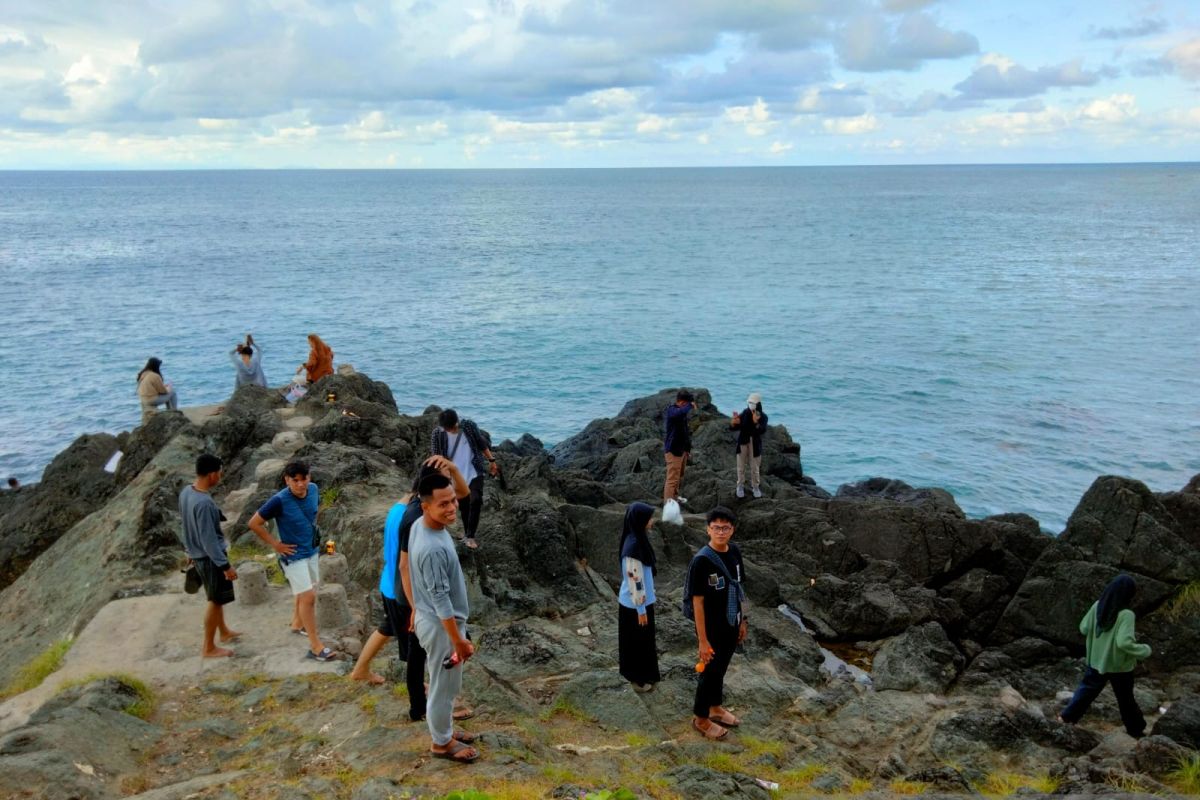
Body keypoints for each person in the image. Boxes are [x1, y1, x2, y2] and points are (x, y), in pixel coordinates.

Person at [349, 456, 469, 703]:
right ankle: (422, 702)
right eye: (445, 479)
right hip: (405, 590)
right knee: (417, 654)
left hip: (389, 585)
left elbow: (463, 493)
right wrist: (416, 607)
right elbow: (405, 566)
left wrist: (454, 468)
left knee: (388, 628)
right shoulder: (415, 518)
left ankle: (360, 669)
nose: (449, 487)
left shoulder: (401, 506)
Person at [409, 472, 479, 763]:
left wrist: (415, 608)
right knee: (443, 688)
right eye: (444, 504)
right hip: (441, 627)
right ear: (426, 506)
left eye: (453, 501)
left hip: (430, 618)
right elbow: (441, 599)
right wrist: (459, 642)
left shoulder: (421, 527)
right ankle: (441, 743)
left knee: (443, 685)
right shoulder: (433, 548)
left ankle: (445, 730)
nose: (452, 508)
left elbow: (416, 578)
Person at [247, 459, 336, 661]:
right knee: (309, 597)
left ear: (309, 477)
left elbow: (312, 512)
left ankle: (297, 623)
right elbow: (254, 523)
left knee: (310, 588)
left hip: (311, 549)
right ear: (287, 480)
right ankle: (315, 647)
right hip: (292, 555)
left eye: (303, 479)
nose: (300, 484)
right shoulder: (279, 500)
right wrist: (276, 545)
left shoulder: (313, 490)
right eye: (294, 480)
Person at [1058, 574, 1152, 737]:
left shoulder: (1097, 606)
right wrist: (1144, 650)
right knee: (1126, 699)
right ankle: (1136, 731)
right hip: (1119, 667)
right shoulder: (1126, 614)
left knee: (1086, 692)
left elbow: (1083, 628)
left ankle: (1066, 718)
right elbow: (1123, 643)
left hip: (1096, 661)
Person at [686, 506, 747, 740]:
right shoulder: (701, 561)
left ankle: (715, 707)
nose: (721, 532)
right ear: (708, 529)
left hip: (732, 621)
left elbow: (740, 587)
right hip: (711, 627)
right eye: (716, 528)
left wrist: (743, 621)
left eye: (726, 528)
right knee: (709, 672)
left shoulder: (735, 552)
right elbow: (697, 602)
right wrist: (702, 640)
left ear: (732, 530)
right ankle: (701, 718)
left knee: (720, 669)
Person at [179, 453, 241, 658]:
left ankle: (223, 632)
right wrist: (226, 566)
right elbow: (209, 541)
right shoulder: (204, 503)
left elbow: (186, 525)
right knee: (214, 601)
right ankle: (208, 647)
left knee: (217, 598)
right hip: (210, 559)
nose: (221, 476)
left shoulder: (187, 492)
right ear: (212, 474)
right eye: (220, 472)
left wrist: (189, 550)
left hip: (197, 555)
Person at [430, 409, 498, 550]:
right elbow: (436, 456)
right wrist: (442, 476)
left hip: (474, 470)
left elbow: (481, 443)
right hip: (455, 476)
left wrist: (492, 460)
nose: (451, 431)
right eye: (448, 429)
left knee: (476, 500)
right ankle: (467, 533)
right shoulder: (438, 434)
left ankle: (471, 536)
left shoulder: (468, 426)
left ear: (457, 422)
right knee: (464, 505)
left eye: (453, 428)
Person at [618, 502, 660, 693]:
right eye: (649, 517)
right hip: (635, 606)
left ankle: (646, 675)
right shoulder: (633, 546)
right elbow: (636, 581)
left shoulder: (637, 539)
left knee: (643, 642)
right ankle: (638, 680)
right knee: (637, 644)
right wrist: (641, 610)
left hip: (641, 603)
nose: (652, 521)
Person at [730, 393, 768, 499]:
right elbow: (735, 428)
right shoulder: (745, 413)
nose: (750, 404)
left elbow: (762, 430)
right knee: (740, 466)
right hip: (743, 441)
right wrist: (734, 422)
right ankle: (740, 486)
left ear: (758, 404)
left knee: (755, 467)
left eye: (753, 403)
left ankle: (755, 487)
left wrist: (756, 422)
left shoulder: (763, 416)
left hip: (755, 443)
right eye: (749, 402)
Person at [663, 390, 697, 504]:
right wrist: (690, 405)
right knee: (672, 479)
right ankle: (668, 505)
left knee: (679, 476)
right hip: (673, 450)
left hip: (682, 450)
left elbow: (685, 433)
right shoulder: (672, 410)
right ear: (682, 402)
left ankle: (675, 498)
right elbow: (679, 413)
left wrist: (687, 449)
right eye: (686, 404)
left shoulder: (682, 414)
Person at [137, 357, 178, 423]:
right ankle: (173, 412)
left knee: (168, 393)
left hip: (143, 399)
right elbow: (163, 391)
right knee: (173, 393)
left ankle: (170, 411)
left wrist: (164, 387)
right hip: (151, 400)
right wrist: (169, 387)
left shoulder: (143, 374)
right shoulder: (154, 375)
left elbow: (151, 387)